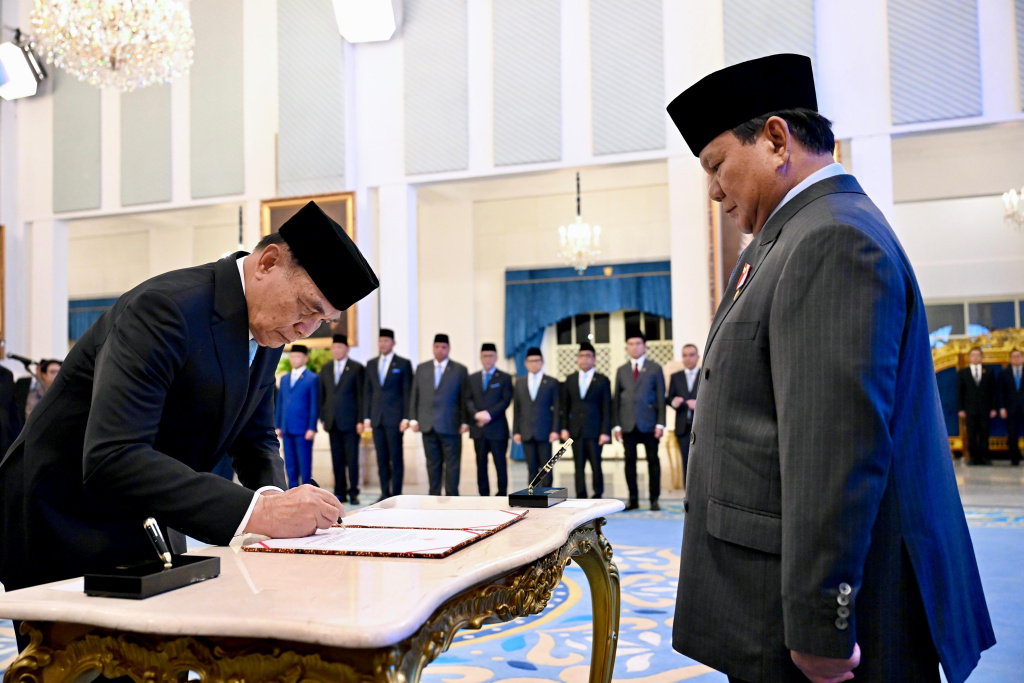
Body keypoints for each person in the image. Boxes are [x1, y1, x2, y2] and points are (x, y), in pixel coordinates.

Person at [666, 53, 993, 683]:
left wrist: (822, 625)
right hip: (773, 602)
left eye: (715, 165)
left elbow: (832, 448)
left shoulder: (832, 240)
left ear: (776, 140)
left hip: (826, 627)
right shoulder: (793, 234)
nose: (712, 190)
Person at [0, 200, 377, 617]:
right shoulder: (166, 308)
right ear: (268, 262)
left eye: (322, 321)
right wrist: (261, 512)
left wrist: (271, 495)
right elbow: (113, 455)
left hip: (147, 516)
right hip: (66, 518)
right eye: (307, 308)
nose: (306, 329)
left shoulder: (267, 328)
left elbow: (255, 436)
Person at [612, 329, 666, 511]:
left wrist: (660, 423)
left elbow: (660, 397)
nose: (634, 347)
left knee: (653, 461)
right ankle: (633, 499)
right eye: (631, 344)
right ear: (627, 347)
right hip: (627, 423)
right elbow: (616, 399)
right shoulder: (621, 370)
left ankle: (654, 499)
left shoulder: (655, 368)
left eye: (638, 344)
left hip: (649, 423)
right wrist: (617, 424)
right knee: (630, 462)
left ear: (645, 347)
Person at [410, 334, 469, 496]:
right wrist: (413, 418)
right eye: (437, 346)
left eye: (443, 347)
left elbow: (465, 397)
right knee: (432, 463)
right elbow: (415, 394)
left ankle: (452, 495)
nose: (440, 350)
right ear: (433, 348)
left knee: (452, 464)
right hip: (428, 424)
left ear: (448, 349)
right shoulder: (422, 368)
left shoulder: (459, 370)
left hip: (451, 425)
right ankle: (433, 495)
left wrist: (465, 421)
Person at [363, 329, 414, 500]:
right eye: (380, 341)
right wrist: (367, 417)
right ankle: (385, 492)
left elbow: (408, 392)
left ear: (393, 343)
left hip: (395, 419)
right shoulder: (371, 364)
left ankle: (397, 493)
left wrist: (406, 417)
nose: (383, 344)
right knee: (381, 457)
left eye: (386, 340)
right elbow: (368, 392)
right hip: (377, 418)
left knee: (396, 457)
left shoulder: (403, 364)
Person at [560, 342, 612, 499]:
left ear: (594, 359)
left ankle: (598, 493)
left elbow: (607, 408)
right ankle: (580, 495)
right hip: (576, 431)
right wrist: (563, 428)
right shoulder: (570, 379)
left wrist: (605, 431)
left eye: (588, 356)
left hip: (595, 431)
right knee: (578, 466)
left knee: (596, 465)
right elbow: (565, 406)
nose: (584, 359)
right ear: (577, 359)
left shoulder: (602, 380)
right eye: (581, 356)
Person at [319, 334, 366, 502]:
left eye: (340, 347)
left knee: (352, 460)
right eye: (334, 347)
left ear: (347, 349)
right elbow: (322, 395)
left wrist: (361, 420)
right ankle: (340, 491)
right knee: (337, 459)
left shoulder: (356, 368)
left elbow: (361, 396)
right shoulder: (326, 368)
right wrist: (323, 418)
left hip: (352, 422)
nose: (336, 350)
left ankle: (353, 492)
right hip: (332, 422)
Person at [466, 343, 513, 496]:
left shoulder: (504, 378)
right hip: (479, 429)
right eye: (485, 356)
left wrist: (489, 414)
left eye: (491, 355)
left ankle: (502, 493)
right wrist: (476, 414)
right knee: (481, 465)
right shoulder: (472, 378)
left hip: (497, 429)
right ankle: (483, 494)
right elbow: (467, 400)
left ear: (496, 357)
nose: (488, 359)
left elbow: (505, 400)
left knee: (500, 464)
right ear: (480, 358)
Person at [512, 347, 560, 487]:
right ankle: (532, 494)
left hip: (545, 431)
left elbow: (557, 409)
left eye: (537, 360)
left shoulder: (551, 382)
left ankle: (547, 494)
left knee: (546, 467)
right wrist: (516, 431)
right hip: (526, 431)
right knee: (531, 467)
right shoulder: (520, 383)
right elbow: (517, 409)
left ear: (542, 362)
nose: (534, 364)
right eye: (531, 361)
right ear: (526, 363)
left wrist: (555, 429)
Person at [275, 344, 319, 488]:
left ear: (305, 358)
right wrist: (278, 425)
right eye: (292, 356)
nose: (294, 359)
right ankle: (292, 489)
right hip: (287, 427)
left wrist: (312, 427)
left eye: (298, 356)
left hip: (303, 429)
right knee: (290, 464)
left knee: (304, 463)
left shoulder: (312, 378)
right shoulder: (285, 379)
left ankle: (307, 491)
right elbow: (280, 402)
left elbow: (314, 404)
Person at [666, 344, 700, 483]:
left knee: (702, 463)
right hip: (683, 427)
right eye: (685, 355)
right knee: (686, 462)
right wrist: (674, 402)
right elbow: (669, 399)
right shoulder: (676, 377)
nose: (688, 358)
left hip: (701, 427)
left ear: (698, 357)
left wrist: (699, 404)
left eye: (691, 355)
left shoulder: (706, 374)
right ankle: (689, 497)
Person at [958, 347, 997, 466]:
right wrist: (961, 409)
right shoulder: (963, 372)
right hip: (970, 409)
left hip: (985, 409)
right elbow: (960, 392)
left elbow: (993, 391)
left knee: (985, 434)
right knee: (972, 434)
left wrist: (993, 408)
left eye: (978, 355)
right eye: (973, 355)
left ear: (981, 357)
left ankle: (984, 457)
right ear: (969, 357)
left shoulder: (989, 372)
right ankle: (973, 458)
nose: (975, 357)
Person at [998, 348, 1023, 466]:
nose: (1016, 359)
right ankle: (1014, 458)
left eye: (1018, 356)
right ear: (1010, 359)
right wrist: (1002, 407)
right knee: (1012, 434)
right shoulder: (1004, 372)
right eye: (1014, 357)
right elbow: (1001, 392)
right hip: (1011, 409)